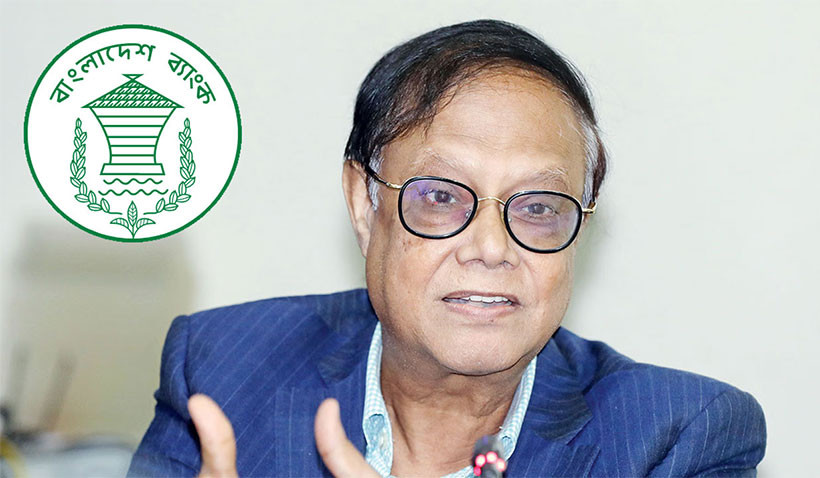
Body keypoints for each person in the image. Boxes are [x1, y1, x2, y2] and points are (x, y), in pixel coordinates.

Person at [128, 19, 766, 477]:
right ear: (364, 204)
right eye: (440, 196)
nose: (490, 248)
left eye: (538, 208)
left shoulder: (675, 439)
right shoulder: (224, 370)